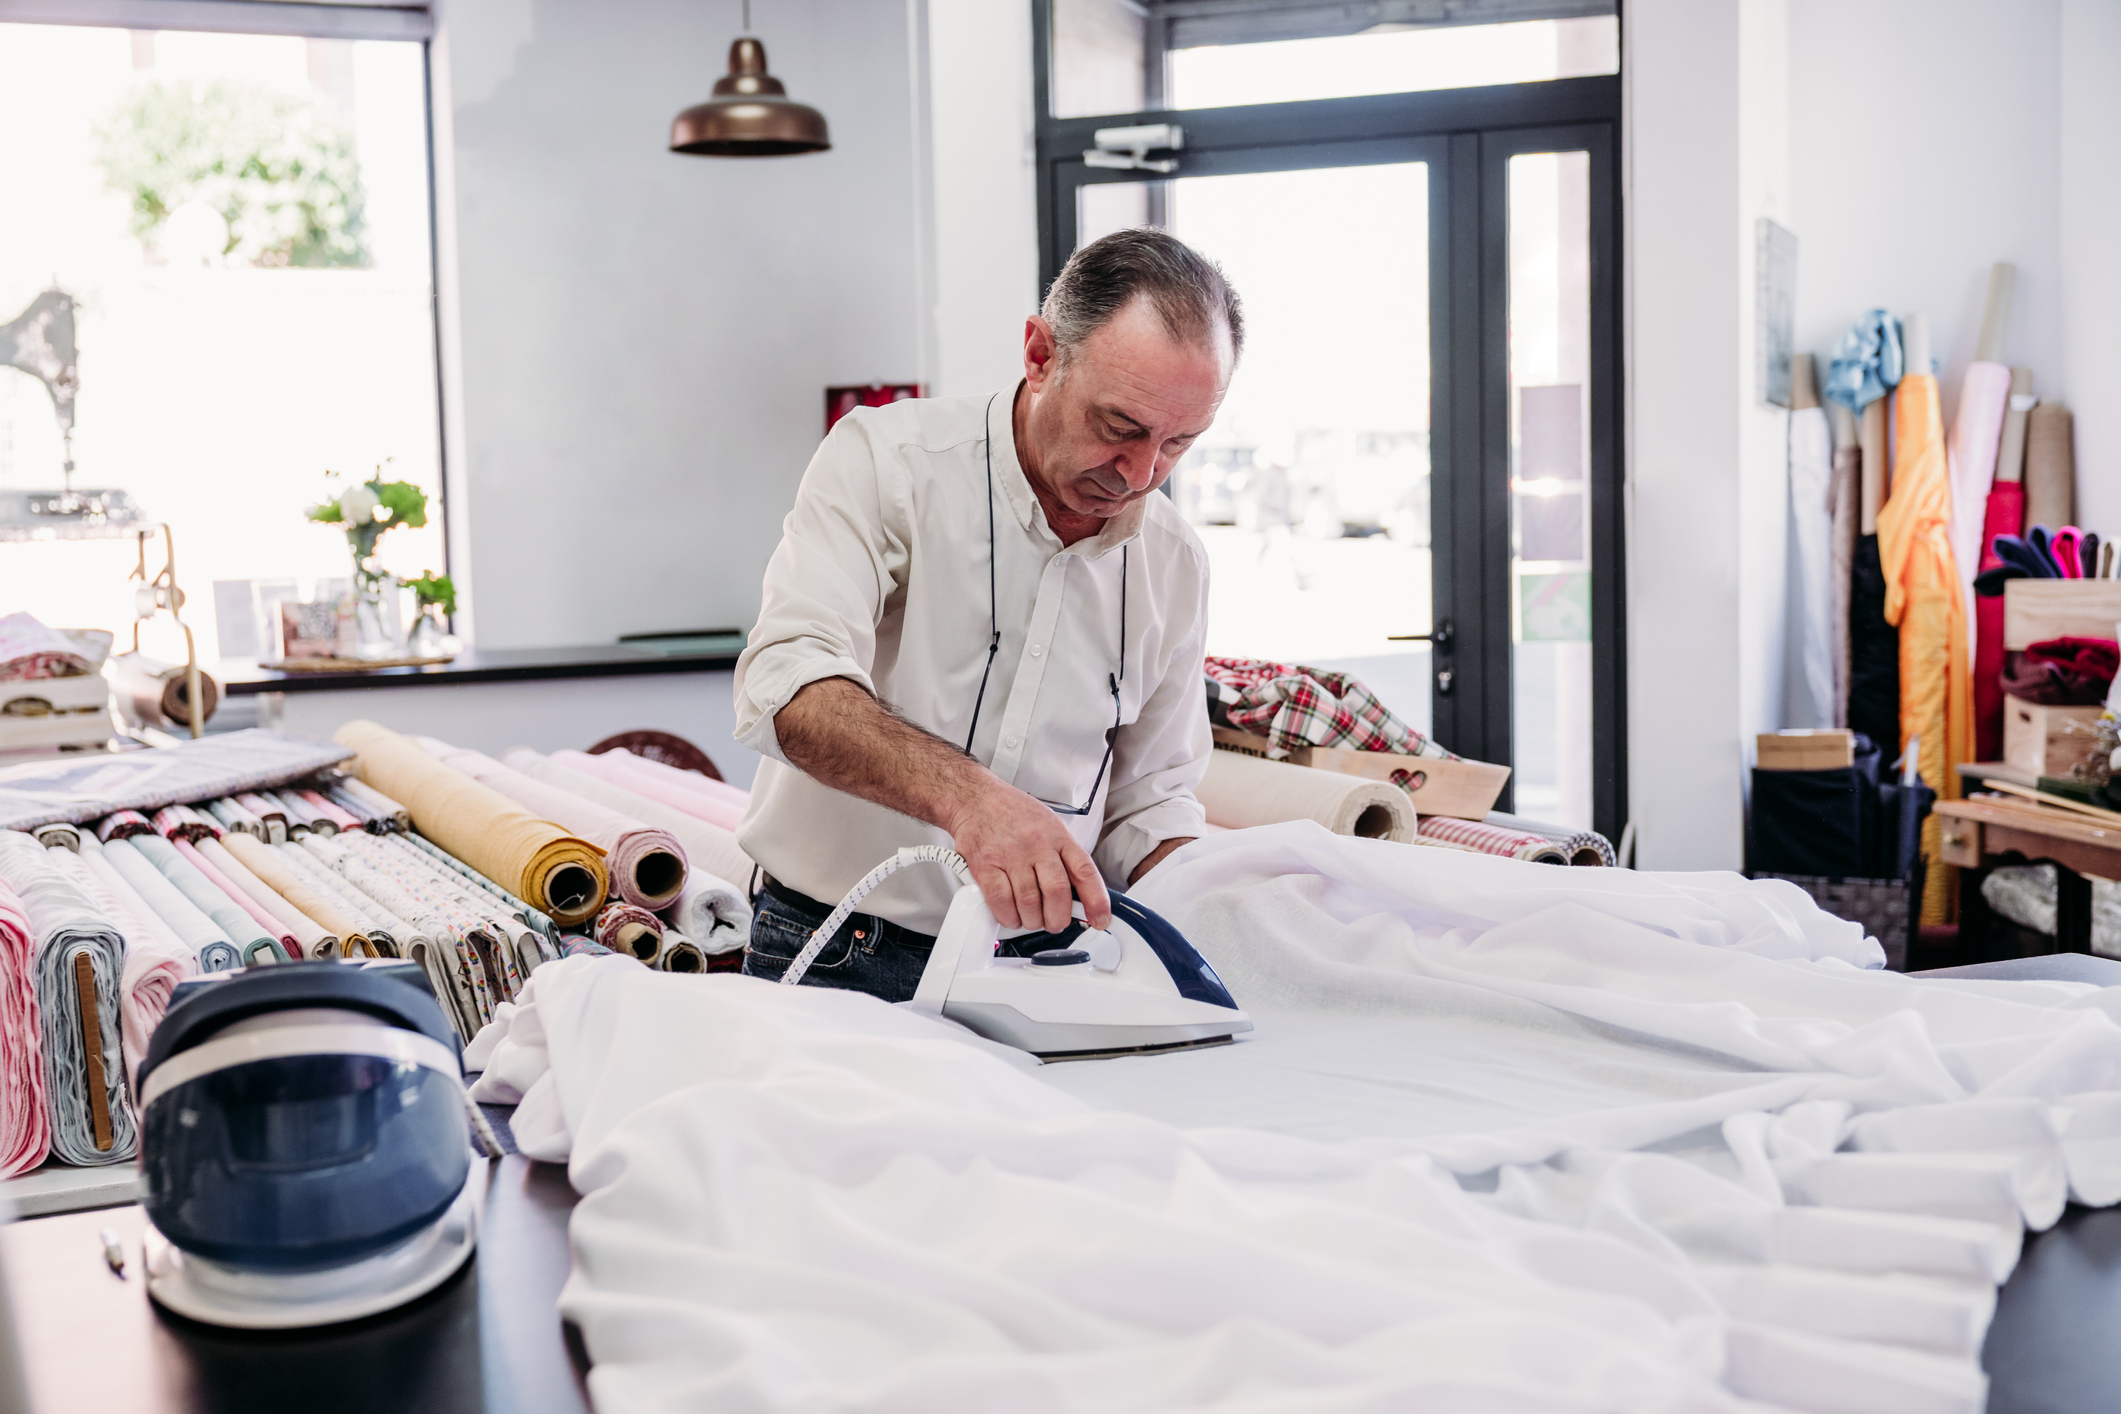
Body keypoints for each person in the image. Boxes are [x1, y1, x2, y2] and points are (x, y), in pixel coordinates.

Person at [731, 228, 1243, 1000]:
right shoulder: (887, 462)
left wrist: (1230, 900)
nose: (1140, 474)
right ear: (1040, 356)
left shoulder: (1173, 563)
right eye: (1120, 428)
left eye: (1179, 443)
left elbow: (1149, 797)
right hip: (834, 946)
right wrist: (971, 801)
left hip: (1048, 972)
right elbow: (785, 683)